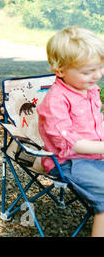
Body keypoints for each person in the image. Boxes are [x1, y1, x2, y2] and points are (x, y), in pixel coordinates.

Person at [37, 25, 104, 236]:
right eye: (88, 72)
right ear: (60, 71)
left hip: (95, 156)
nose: (97, 75)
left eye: (100, 68)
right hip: (68, 162)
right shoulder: (56, 100)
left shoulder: (89, 88)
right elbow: (71, 144)